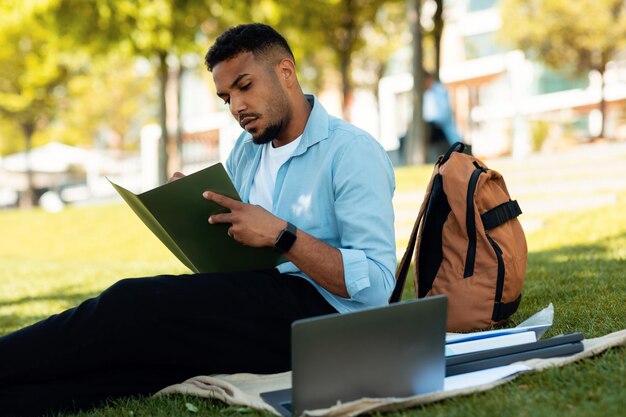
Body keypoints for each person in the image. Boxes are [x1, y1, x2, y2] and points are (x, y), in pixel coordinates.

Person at [0, 23, 396, 416]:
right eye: (226, 97)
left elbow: (378, 288)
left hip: (324, 323)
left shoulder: (352, 152)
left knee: (133, 302)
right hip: (257, 297)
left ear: (286, 73)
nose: (236, 107)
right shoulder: (248, 148)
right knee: (142, 361)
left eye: (245, 86)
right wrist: (195, 205)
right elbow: (239, 240)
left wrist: (281, 234)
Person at [423, 70, 462, 162]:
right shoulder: (426, 93)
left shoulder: (440, 90)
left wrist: (430, 120)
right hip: (432, 126)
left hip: (440, 126)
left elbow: (444, 113)